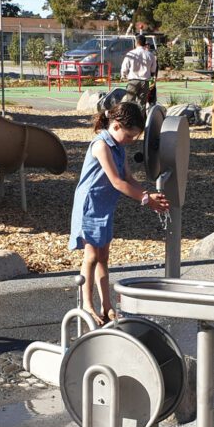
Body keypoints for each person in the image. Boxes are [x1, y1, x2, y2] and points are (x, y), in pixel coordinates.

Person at [69, 102, 169, 325]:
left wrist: (148, 193)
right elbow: (116, 182)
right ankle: (87, 304)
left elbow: (129, 179)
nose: (132, 141)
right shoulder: (101, 146)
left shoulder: (119, 148)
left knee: (104, 257)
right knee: (92, 256)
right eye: (130, 135)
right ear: (115, 126)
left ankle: (107, 305)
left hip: (105, 206)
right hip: (91, 204)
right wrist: (145, 200)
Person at [121, 34, 157, 106]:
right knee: (142, 103)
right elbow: (153, 70)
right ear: (145, 43)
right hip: (145, 82)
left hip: (133, 81)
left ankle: (131, 117)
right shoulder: (150, 55)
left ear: (136, 42)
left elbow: (124, 67)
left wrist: (123, 75)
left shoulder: (131, 53)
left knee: (130, 102)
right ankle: (141, 117)